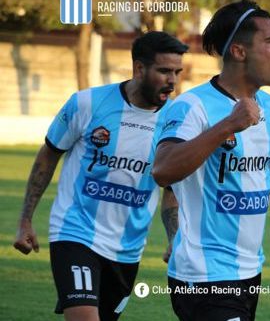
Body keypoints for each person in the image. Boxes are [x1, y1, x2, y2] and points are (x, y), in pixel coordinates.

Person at [152, 0, 270, 321]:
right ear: (239, 51)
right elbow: (163, 170)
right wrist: (228, 125)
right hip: (202, 275)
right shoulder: (192, 107)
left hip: (249, 272)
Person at [13, 31, 188, 321]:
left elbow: (170, 187)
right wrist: (25, 220)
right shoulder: (87, 104)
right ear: (140, 68)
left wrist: (175, 237)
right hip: (75, 232)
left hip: (128, 248)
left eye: (177, 72)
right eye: (164, 71)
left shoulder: (177, 120)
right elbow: (49, 154)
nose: (172, 80)